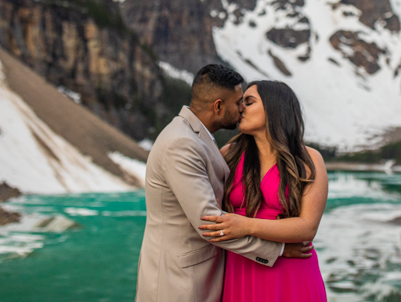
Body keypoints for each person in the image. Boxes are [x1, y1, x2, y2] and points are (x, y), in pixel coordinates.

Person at [135, 65, 313, 302]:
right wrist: (279, 250)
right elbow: (208, 222)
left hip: (212, 274)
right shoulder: (181, 143)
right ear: (218, 106)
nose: (241, 109)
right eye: (239, 102)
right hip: (178, 281)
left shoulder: (197, 138)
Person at [199, 80, 328, 301]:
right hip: (240, 268)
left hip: (292, 273)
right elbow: (211, 217)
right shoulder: (228, 155)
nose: (241, 108)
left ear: (274, 108)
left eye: (249, 102)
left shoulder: (309, 159)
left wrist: (245, 225)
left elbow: (307, 228)